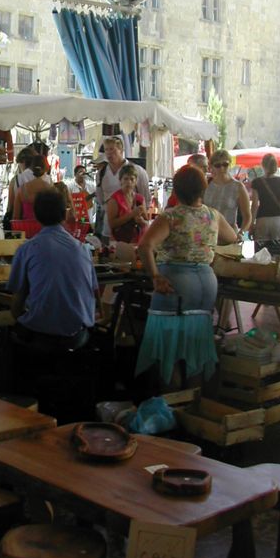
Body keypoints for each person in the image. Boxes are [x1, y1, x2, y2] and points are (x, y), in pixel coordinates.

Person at [135, 165, 238, 389]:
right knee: (195, 351)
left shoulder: (171, 217)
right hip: (206, 284)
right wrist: (204, 242)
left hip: (176, 283)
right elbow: (232, 237)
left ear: (177, 191)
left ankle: (171, 407)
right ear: (203, 189)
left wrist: (155, 276)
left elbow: (145, 246)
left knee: (168, 351)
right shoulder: (213, 215)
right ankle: (193, 406)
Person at [7, 189, 97, 350]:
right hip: (78, 335)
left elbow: (17, 303)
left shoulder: (27, 249)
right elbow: (93, 292)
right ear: (64, 214)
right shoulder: (82, 249)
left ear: (36, 215)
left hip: (40, 335)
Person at [95, 136, 150, 242]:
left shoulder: (137, 171)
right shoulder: (101, 173)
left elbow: (145, 197)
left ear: (121, 150)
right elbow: (100, 198)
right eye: (106, 150)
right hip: (109, 226)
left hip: (133, 228)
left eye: (112, 149)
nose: (109, 153)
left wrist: (140, 217)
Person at [250, 153, 280, 247]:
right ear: (276, 165)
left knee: (261, 254)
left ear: (262, 165)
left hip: (262, 220)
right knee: (279, 251)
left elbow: (254, 205)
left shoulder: (256, 182)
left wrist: (251, 223)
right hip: (279, 220)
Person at [204, 149, 251, 235]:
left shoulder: (238, 187)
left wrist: (241, 233)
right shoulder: (205, 185)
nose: (222, 168)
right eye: (217, 165)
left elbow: (247, 216)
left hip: (230, 234)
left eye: (225, 164)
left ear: (230, 164)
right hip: (208, 234)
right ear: (211, 166)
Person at [107, 163, 149, 243]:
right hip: (119, 241)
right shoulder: (114, 199)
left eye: (132, 179)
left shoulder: (140, 199)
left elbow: (146, 221)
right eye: (125, 179)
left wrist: (142, 221)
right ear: (120, 180)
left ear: (136, 181)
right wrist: (131, 215)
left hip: (137, 240)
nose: (129, 182)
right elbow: (112, 224)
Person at [13, 154, 51, 220]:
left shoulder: (22, 190)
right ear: (46, 168)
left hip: (27, 227)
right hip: (46, 228)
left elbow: (15, 218)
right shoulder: (51, 189)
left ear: (31, 168)